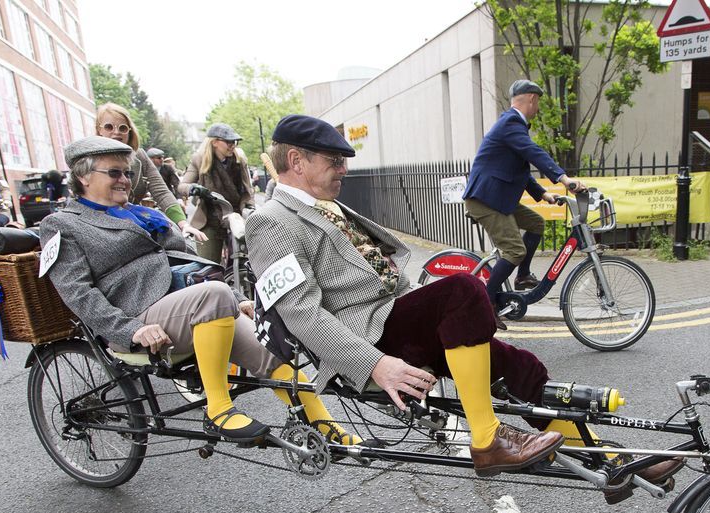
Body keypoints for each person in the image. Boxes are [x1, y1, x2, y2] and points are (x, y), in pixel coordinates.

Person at [246, 114, 683, 483]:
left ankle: (611, 460)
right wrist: (376, 365)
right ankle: (486, 437)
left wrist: (419, 302)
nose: (343, 169)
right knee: (464, 290)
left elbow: (378, 270)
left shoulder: (327, 203)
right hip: (367, 336)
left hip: (394, 318)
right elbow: (300, 313)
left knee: (520, 367)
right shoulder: (271, 220)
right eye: (334, 161)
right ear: (296, 160)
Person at [40, 136, 362, 446]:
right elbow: (78, 293)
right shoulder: (63, 224)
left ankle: (325, 425)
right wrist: (132, 330)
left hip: (184, 304)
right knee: (214, 296)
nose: (124, 179)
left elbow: (190, 261)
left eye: (126, 172)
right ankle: (218, 409)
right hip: (137, 314)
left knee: (272, 346)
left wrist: (239, 300)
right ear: (83, 177)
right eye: (114, 172)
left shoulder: (143, 214)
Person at [463, 80, 585, 328]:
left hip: (497, 197)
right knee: (514, 250)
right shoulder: (511, 123)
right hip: (486, 199)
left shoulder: (512, 125)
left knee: (536, 223)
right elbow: (533, 152)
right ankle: (488, 303)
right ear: (531, 99)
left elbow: (521, 170)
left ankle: (522, 275)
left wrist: (543, 194)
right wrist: (563, 178)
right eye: (537, 102)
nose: (538, 107)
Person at [95, 103, 205, 245]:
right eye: (109, 127)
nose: (116, 132)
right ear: (99, 130)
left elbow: (161, 192)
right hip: (100, 229)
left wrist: (184, 224)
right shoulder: (89, 159)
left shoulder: (139, 156)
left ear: (130, 131)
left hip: (133, 225)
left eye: (122, 128)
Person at [178, 123, 255, 263]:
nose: (233, 145)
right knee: (208, 264)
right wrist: (193, 189)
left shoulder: (239, 160)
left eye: (234, 142)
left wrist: (249, 207)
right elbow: (182, 185)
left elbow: (247, 190)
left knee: (246, 263)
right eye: (229, 142)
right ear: (214, 142)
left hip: (236, 217)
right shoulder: (199, 159)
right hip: (210, 218)